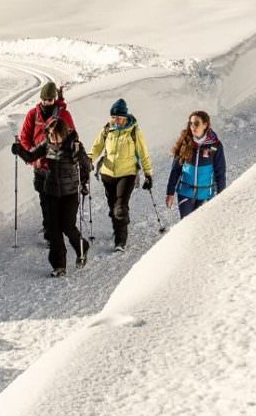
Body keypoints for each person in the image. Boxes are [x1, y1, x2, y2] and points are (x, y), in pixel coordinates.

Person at [12, 116, 90, 277]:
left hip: (69, 193)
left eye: (55, 135)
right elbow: (30, 157)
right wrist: (19, 149)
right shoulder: (47, 144)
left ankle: (82, 246)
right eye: (49, 134)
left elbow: (86, 166)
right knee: (53, 229)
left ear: (63, 132)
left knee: (67, 226)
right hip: (51, 191)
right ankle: (59, 265)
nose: (52, 138)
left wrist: (81, 165)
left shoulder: (74, 145)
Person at [89, 99, 153, 252]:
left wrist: (148, 174)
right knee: (113, 207)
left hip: (127, 174)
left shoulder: (134, 131)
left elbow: (143, 153)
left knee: (120, 208)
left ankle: (120, 241)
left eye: (118, 117)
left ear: (125, 117)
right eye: (113, 117)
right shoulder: (107, 129)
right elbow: (96, 148)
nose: (115, 120)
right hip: (107, 174)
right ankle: (120, 225)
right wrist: (88, 160)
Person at [19, 82, 76, 242]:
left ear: (54, 99)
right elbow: (25, 137)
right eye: (43, 99)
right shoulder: (33, 114)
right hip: (39, 166)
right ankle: (49, 227)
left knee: (56, 201)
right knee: (45, 200)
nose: (46, 102)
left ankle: (54, 231)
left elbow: (72, 137)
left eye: (49, 99)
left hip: (57, 166)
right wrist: (33, 158)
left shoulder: (64, 115)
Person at [165, 111, 226, 219]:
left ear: (205, 125)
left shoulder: (215, 145)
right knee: (186, 224)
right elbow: (175, 170)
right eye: (191, 123)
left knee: (200, 227)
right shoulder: (185, 142)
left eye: (196, 123)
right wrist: (170, 193)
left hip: (206, 195)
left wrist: (222, 196)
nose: (193, 127)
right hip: (185, 193)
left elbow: (220, 172)